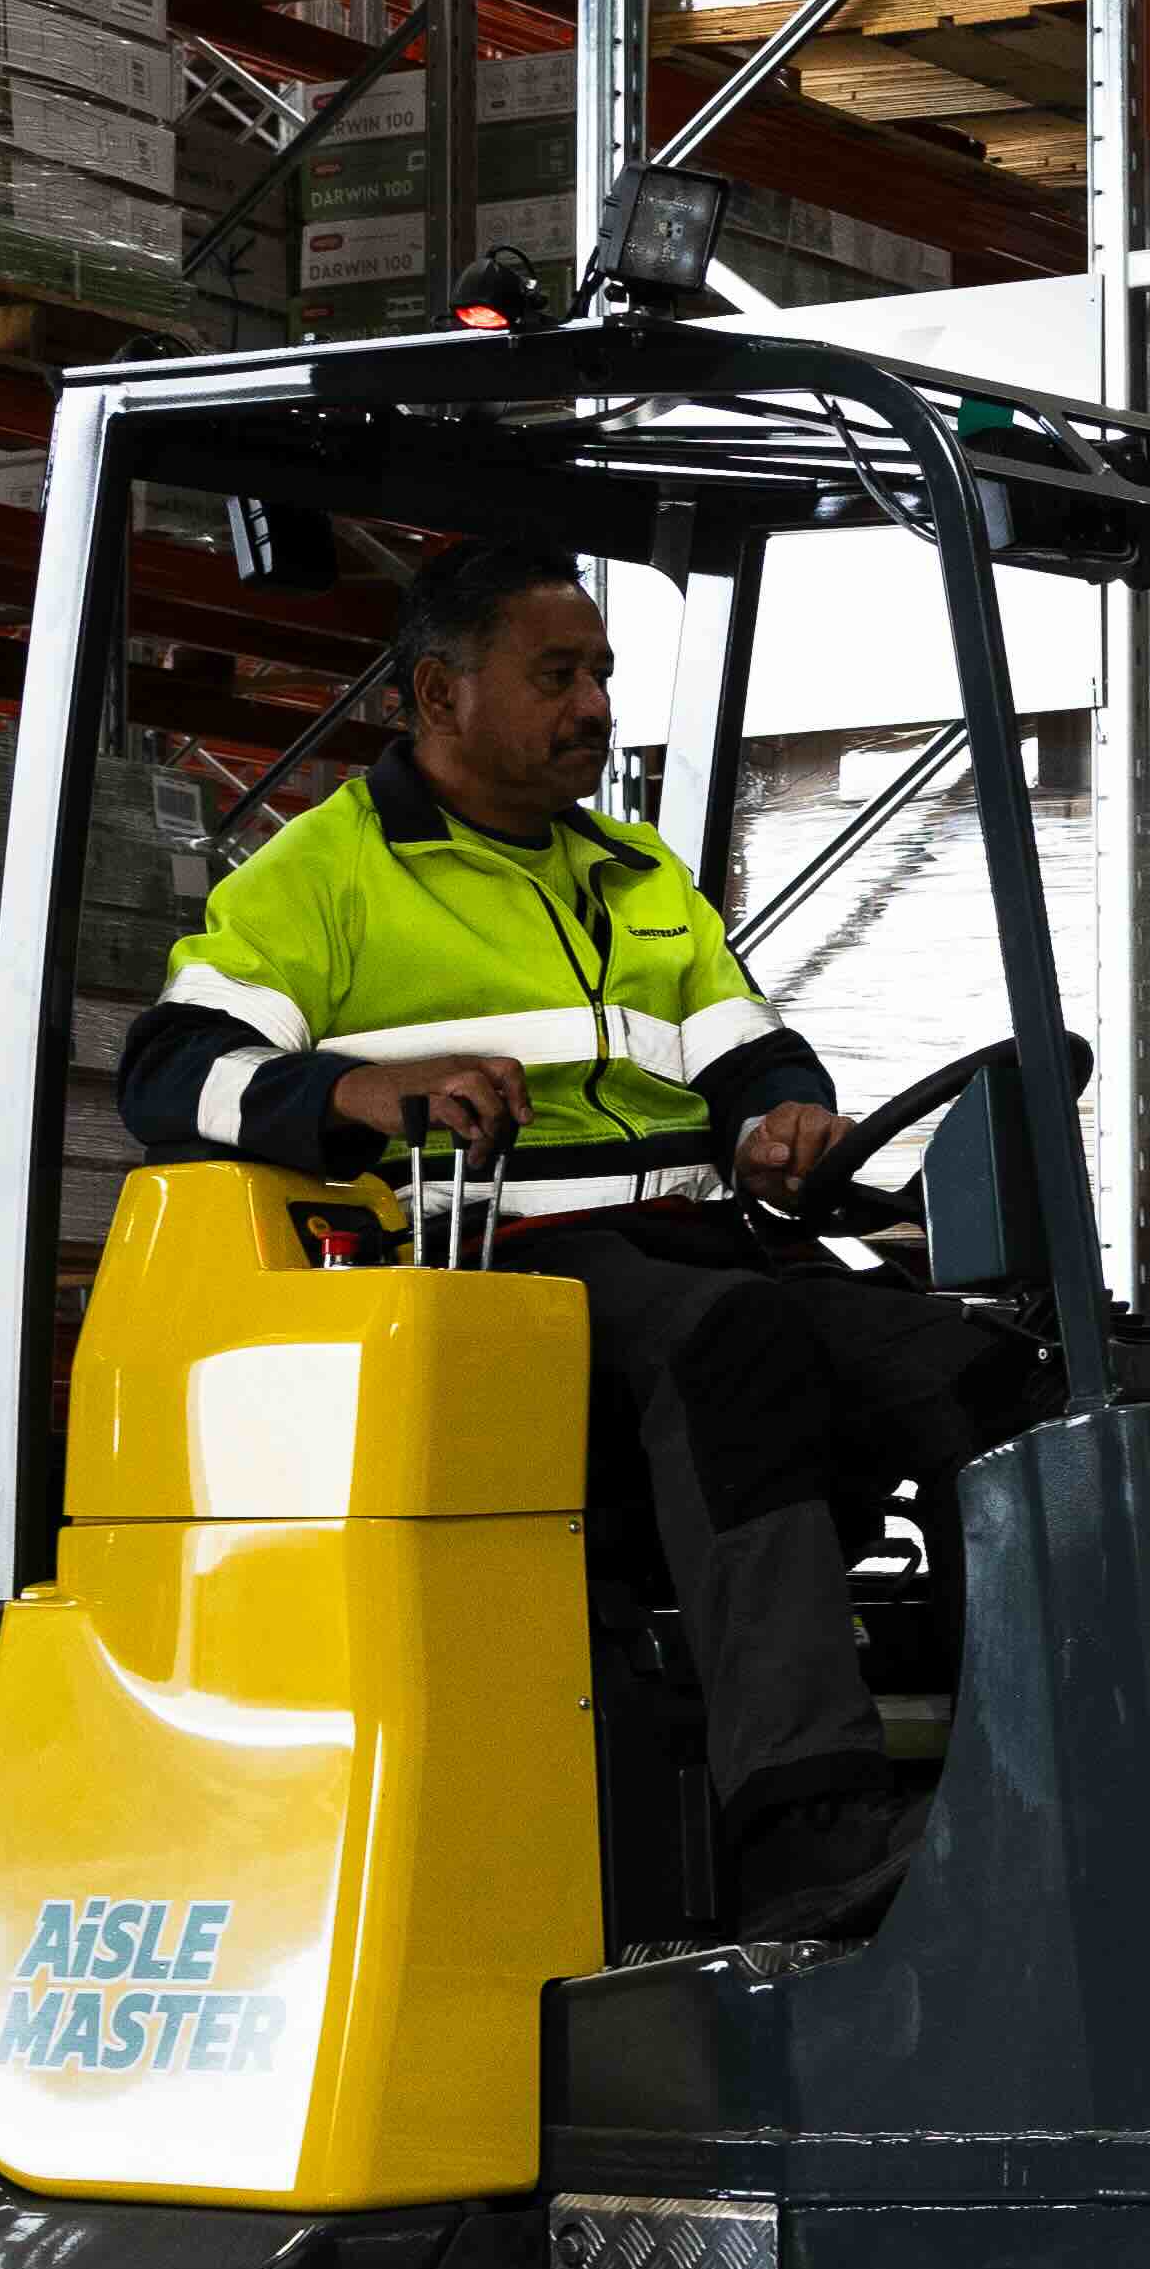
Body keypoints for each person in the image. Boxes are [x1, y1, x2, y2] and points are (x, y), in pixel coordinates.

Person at [113, 537, 1020, 1933]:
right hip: (505, 1269)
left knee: (1001, 1377)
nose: (594, 705)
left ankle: (1029, 1769)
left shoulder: (638, 873)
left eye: (600, 673)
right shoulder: (326, 875)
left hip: (710, 1245)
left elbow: (751, 1058)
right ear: (438, 694)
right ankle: (802, 1824)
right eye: (557, 675)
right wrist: (357, 1093)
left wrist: (785, 1122)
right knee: (742, 1346)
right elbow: (172, 1071)